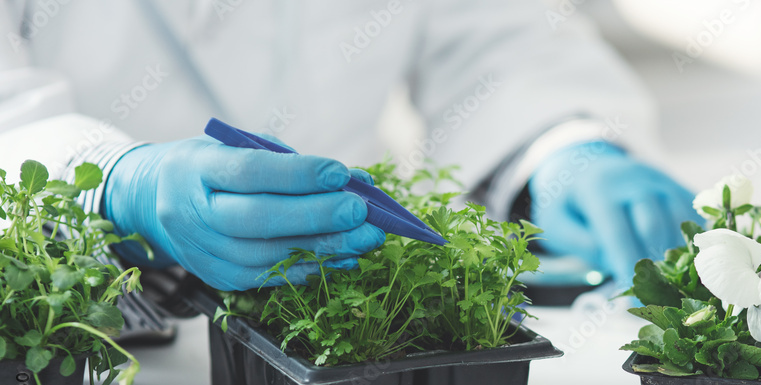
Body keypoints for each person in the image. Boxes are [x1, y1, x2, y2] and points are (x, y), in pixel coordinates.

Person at [0, 0, 696, 298]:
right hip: (108, 349)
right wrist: (116, 185)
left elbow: (498, 34)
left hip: (340, 285)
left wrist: (561, 145)